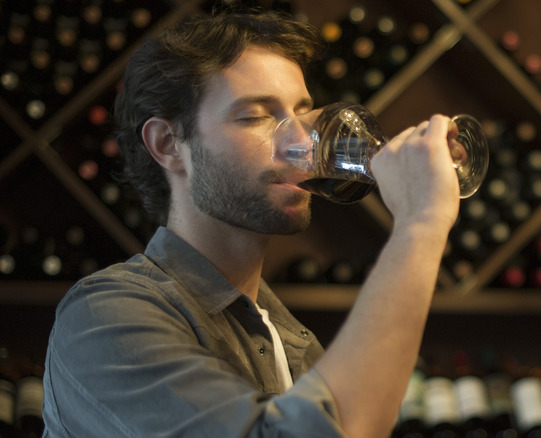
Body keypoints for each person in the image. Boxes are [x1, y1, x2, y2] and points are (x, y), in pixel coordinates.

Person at [41, 7, 460, 438]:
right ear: (168, 144)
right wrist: (420, 223)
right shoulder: (104, 317)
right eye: (256, 115)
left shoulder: (293, 343)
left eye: (302, 113)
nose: (301, 141)